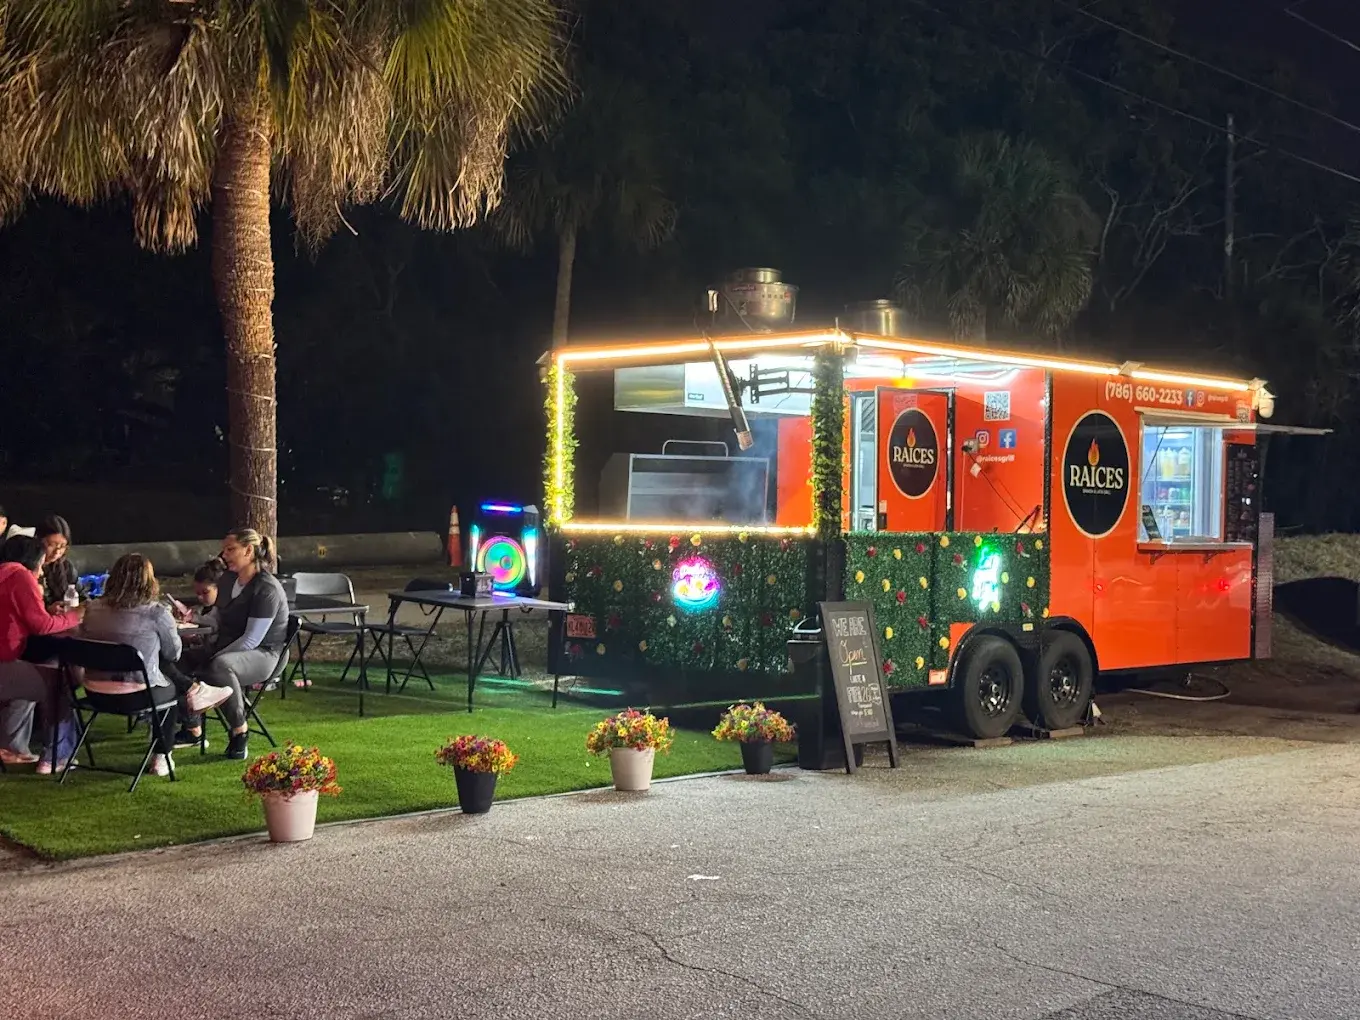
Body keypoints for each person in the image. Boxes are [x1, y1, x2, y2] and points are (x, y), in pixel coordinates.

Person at [81, 554, 233, 777]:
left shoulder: (92, 609)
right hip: (137, 695)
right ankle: (162, 755)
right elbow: (174, 654)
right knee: (169, 688)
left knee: (158, 670)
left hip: (93, 692)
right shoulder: (156, 613)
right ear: (149, 581)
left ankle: (195, 701)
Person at [173, 530, 289, 759]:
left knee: (219, 667)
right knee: (176, 659)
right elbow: (217, 618)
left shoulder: (266, 589)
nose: (224, 555)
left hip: (263, 654)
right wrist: (193, 619)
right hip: (226, 647)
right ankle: (192, 728)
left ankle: (239, 732)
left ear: (248, 551)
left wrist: (213, 657)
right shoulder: (227, 580)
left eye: (230, 549)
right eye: (224, 549)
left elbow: (251, 639)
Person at [0, 535, 83, 770]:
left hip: (9, 662)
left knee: (30, 678)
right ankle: (57, 756)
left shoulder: (4, 573)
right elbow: (41, 625)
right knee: (59, 682)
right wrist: (75, 616)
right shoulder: (20, 576)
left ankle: (11, 748)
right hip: (3, 664)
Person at [35, 515, 77, 609]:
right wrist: (48, 610)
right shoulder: (26, 567)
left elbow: (81, 595)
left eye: (62, 546)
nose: (57, 552)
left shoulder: (66, 567)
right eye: (52, 545)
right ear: (38, 540)